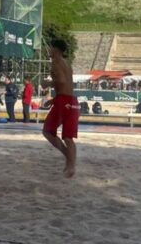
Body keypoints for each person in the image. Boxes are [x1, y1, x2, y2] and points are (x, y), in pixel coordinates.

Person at [42, 39, 80, 178]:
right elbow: (67, 86)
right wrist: (54, 100)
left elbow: (62, 81)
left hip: (63, 101)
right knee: (68, 138)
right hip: (72, 101)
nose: (49, 50)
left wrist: (48, 83)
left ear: (56, 50)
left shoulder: (56, 62)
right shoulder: (67, 63)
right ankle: (71, 166)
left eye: (50, 48)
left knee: (47, 131)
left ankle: (68, 158)